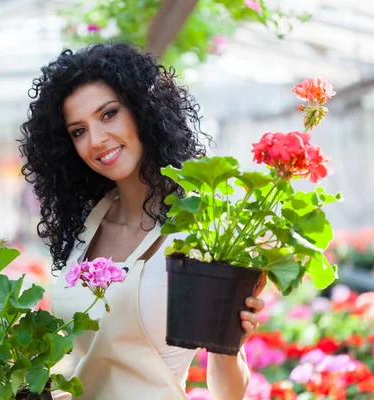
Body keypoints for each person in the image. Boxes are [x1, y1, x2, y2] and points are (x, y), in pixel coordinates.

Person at [19, 43, 266, 400]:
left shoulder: (197, 227)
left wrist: (229, 342)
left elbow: (228, 393)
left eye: (108, 114)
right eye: (78, 131)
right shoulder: (88, 227)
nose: (97, 140)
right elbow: (85, 362)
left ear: (142, 110)